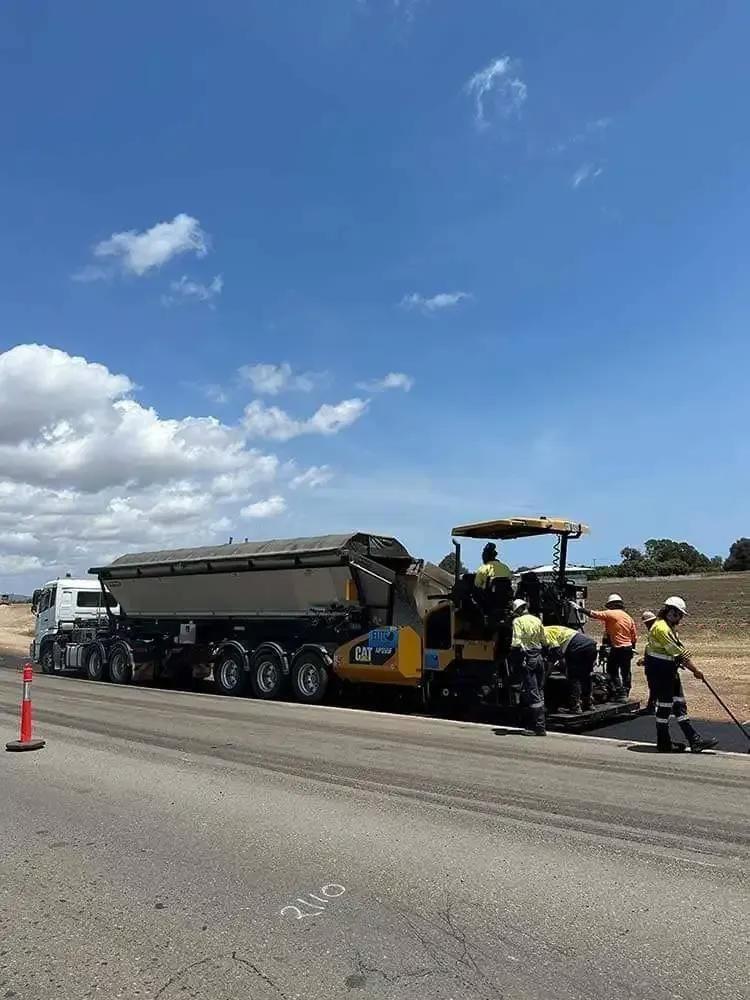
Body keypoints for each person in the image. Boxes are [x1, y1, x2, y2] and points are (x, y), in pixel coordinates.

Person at [645, 596, 718, 753]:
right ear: (671, 612)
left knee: (679, 704)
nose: (681, 618)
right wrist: (696, 671)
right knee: (664, 707)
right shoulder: (662, 628)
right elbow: (680, 655)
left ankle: (694, 740)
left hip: (668, 670)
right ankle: (664, 744)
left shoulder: (667, 627)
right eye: (679, 615)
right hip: (660, 673)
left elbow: (679, 651)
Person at [579, 594, 637, 701]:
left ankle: (618, 691)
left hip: (618, 648)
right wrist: (632, 648)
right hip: (628, 648)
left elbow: (595, 614)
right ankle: (626, 691)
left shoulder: (611, 613)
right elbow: (633, 636)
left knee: (612, 670)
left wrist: (580, 609)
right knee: (626, 671)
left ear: (611, 605)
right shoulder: (628, 617)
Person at [510, 598, 548, 735]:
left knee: (532, 692)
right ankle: (542, 723)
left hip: (528, 658)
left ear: (518, 610)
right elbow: (544, 640)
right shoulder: (537, 620)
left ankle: (538, 727)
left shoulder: (518, 622)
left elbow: (516, 643)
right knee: (539, 689)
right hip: (539, 658)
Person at [544, 624, 597, 713]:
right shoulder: (553, 628)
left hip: (576, 647)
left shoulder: (544, 633)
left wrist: (546, 676)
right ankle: (588, 703)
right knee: (586, 675)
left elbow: (556, 653)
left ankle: (575, 706)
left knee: (574, 677)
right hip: (590, 645)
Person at [638, 611, 657, 713]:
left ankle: (651, 707)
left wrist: (646, 660)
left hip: (654, 665)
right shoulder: (654, 631)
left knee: (654, 686)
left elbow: (655, 650)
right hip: (652, 663)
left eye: (647, 623)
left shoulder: (656, 632)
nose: (647, 625)